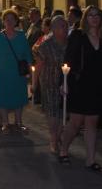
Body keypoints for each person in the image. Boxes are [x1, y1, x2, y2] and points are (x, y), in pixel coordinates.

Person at [59, 6, 102, 172]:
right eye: (90, 15)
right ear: (85, 18)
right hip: (79, 83)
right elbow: (68, 59)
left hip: (97, 85)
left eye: (97, 15)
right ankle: (63, 149)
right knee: (75, 123)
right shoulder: (78, 35)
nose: (94, 18)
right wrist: (64, 82)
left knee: (92, 123)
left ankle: (90, 160)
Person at [0, 9, 33, 134]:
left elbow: (27, 54)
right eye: (6, 19)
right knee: (3, 97)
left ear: (16, 21)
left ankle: (19, 122)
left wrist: (30, 71)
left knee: (18, 97)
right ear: (3, 21)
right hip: (2, 73)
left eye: (11, 19)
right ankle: (5, 123)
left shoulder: (21, 36)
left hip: (18, 73)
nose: (9, 21)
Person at [36, 16, 69, 153]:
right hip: (49, 82)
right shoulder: (46, 45)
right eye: (62, 26)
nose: (65, 29)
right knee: (52, 112)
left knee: (62, 111)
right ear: (54, 29)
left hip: (66, 82)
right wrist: (34, 83)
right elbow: (39, 65)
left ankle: (59, 135)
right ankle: (53, 138)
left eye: (66, 26)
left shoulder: (70, 43)